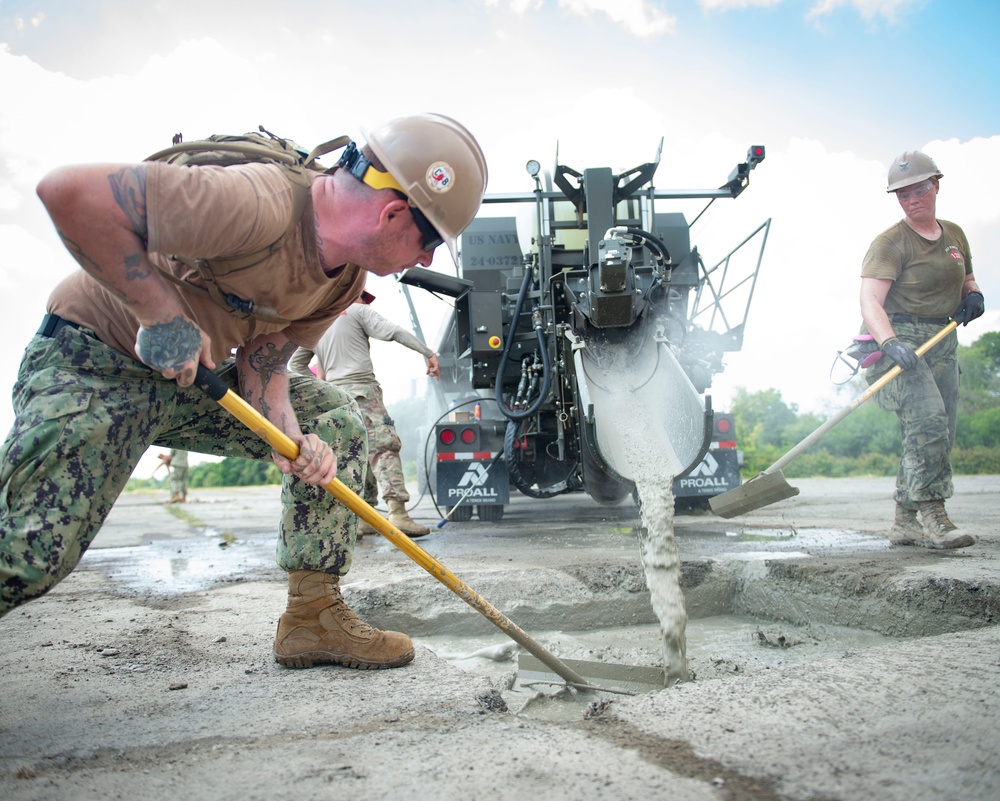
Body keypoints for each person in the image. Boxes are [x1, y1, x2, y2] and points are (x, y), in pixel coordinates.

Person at [0, 113, 488, 671]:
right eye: (428, 244)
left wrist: (292, 440)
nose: (425, 261)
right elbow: (71, 195)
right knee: (28, 557)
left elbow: (266, 362)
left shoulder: (344, 278)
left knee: (334, 419)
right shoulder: (260, 204)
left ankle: (312, 619)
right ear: (393, 212)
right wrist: (160, 316)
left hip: (192, 381)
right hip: (96, 362)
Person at [859, 150, 985, 550]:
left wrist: (974, 293)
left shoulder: (954, 234)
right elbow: (869, 301)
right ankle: (934, 516)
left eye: (918, 190)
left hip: (943, 337)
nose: (911, 199)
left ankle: (904, 520)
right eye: (902, 195)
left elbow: (966, 275)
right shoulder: (890, 243)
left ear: (935, 185)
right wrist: (890, 342)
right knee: (927, 422)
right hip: (899, 340)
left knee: (938, 431)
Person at [291, 291, 439, 537]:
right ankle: (398, 514)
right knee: (383, 448)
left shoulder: (318, 320)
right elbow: (393, 331)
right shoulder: (358, 310)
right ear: (354, 295)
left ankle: (361, 518)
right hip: (361, 392)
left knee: (352, 455)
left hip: (334, 401)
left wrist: (321, 388)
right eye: (364, 298)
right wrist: (428, 353)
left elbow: (296, 364)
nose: (366, 303)